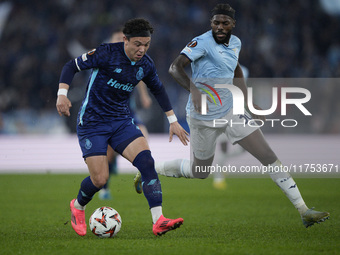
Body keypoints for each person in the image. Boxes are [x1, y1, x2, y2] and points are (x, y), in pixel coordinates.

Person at [134, 4, 330, 228]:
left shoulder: (236, 43)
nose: (219, 26)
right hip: (203, 117)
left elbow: (236, 71)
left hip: (231, 111)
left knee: (267, 155)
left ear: (232, 25)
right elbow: (174, 68)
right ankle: (151, 169)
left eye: (224, 23)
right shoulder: (201, 42)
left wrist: (248, 103)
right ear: (211, 23)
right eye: (216, 22)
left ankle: (304, 210)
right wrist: (195, 90)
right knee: (200, 172)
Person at [56, 18, 189, 236]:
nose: (142, 49)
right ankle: (78, 206)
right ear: (125, 40)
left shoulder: (146, 64)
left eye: (146, 44)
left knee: (147, 162)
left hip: (120, 121)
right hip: (92, 123)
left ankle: (159, 220)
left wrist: (173, 120)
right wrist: (62, 95)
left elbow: (158, 89)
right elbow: (71, 66)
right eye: (137, 44)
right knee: (99, 179)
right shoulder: (106, 52)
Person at [99, 29, 152, 200]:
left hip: (128, 110)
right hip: (108, 113)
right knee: (109, 152)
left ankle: (143, 172)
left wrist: (144, 95)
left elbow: (140, 77)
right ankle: (105, 188)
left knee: (144, 136)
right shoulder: (105, 59)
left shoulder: (132, 60)